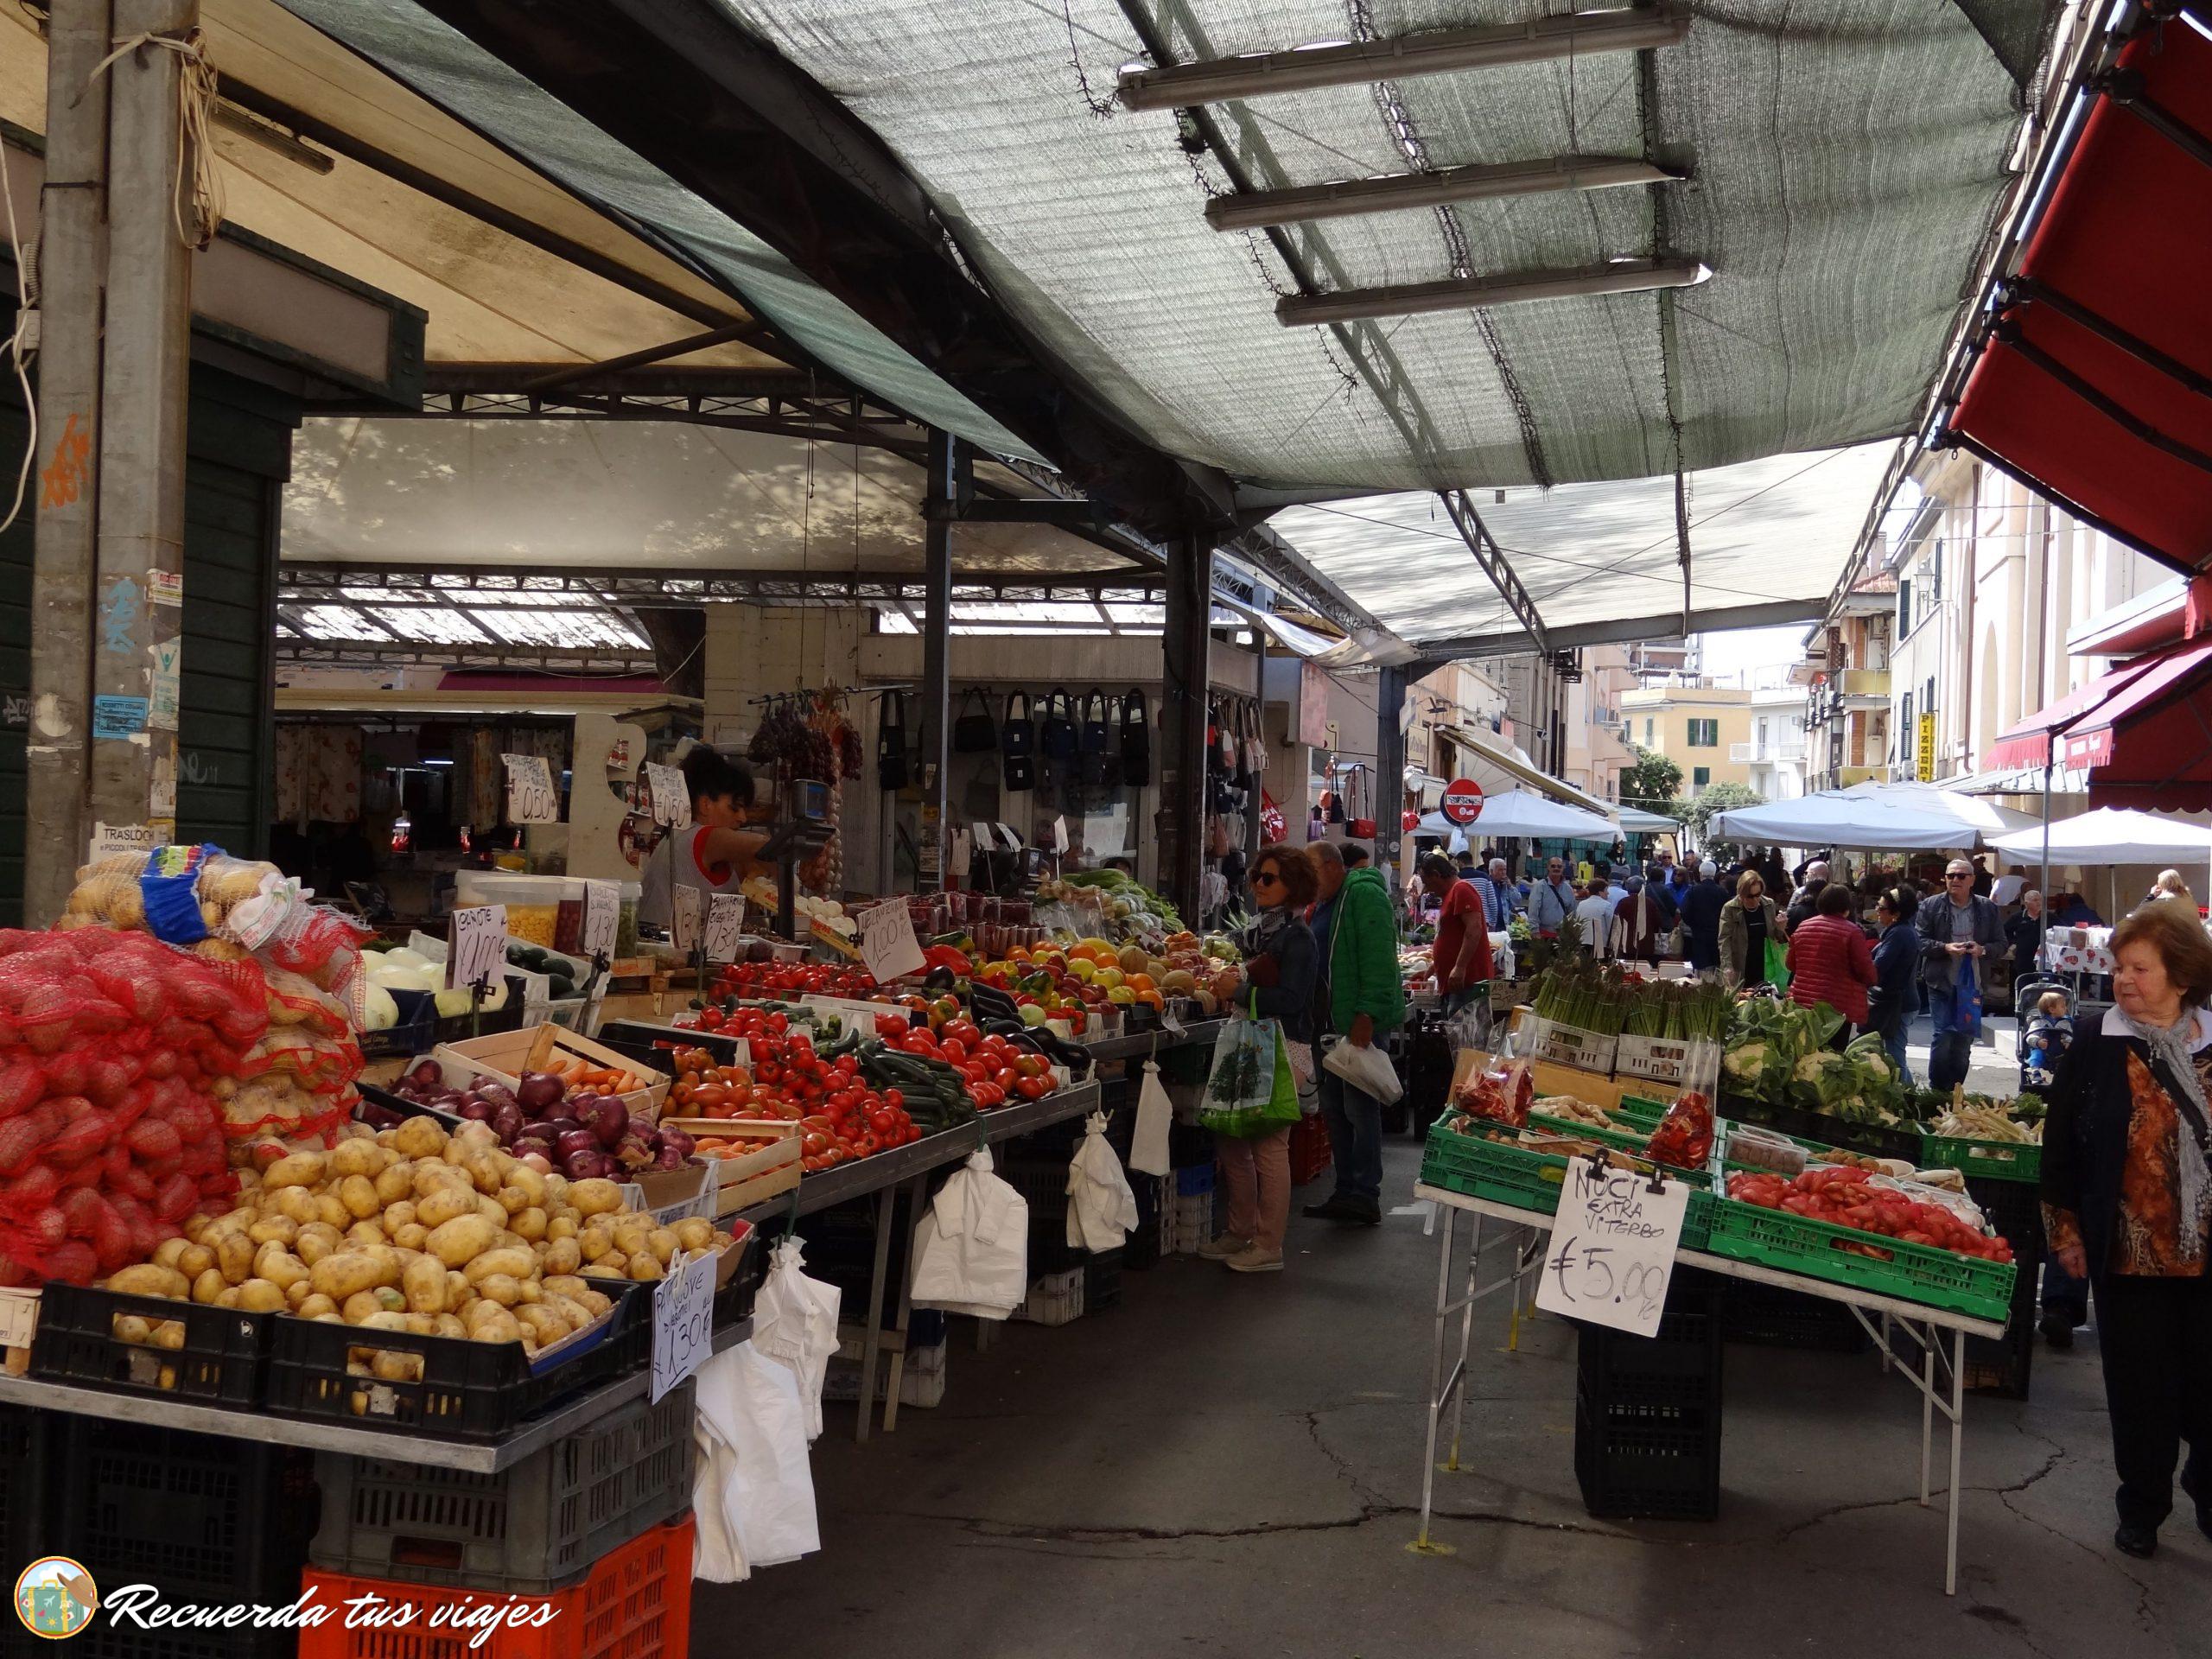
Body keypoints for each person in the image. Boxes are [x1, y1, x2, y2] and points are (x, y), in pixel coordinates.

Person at [2041, 900, 2212, 1558]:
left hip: (2206, 1257)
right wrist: (2065, 1231)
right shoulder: (2096, 1041)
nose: (2124, 980)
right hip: (2130, 1256)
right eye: (2119, 968)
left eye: (2140, 968)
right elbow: (2060, 1147)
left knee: (2207, 1388)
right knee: (2141, 1394)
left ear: (2183, 974)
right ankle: (2142, 1505)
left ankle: (2206, 1481)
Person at [1204, 846, 1319, 1274]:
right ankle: (1239, 1230)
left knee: (1270, 1147)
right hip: (1249, 1042)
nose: (1257, 885)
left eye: (1268, 878)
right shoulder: (1262, 932)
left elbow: (1292, 999)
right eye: (1256, 876)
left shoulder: (1299, 937)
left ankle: (1269, 1243)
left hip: (1282, 1046)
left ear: (1293, 885)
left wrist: (1239, 992)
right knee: (1232, 1139)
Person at [1304, 841, 1403, 1228]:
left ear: (1332, 866)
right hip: (1329, 1025)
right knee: (1334, 1109)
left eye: (1312, 871)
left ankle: (1365, 1193)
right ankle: (1345, 1189)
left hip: (1356, 1023)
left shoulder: (1363, 895)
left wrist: (1368, 1014)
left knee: (1359, 1109)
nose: (1308, 880)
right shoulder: (1324, 903)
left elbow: (1379, 959)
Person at [638, 747, 766, 933]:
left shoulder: (679, 836)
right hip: (668, 952)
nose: (743, 818)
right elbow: (761, 846)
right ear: (706, 804)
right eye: (735, 808)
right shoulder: (702, 835)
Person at [1916, 859, 2009, 1094]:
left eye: (1961, 876)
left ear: (1972, 880)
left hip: (1973, 984)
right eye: (1950, 876)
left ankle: (1955, 1091)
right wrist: (1945, 947)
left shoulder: (1986, 908)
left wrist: (1983, 950)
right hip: (1941, 981)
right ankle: (1937, 1092)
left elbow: (2001, 943)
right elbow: (1920, 941)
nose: (1955, 880)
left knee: (1963, 1040)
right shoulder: (1931, 906)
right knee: (1943, 1035)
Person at [1787, 883, 1878, 1035]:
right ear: (1846, 907)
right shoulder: (1852, 932)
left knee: (1808, 1052)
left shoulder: (1803, 927)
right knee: (1834, 1054)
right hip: (1838, 1005)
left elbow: (1790, 964)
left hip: (1804, 1001)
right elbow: (1865, 970)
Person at [1419, 852, 1491, 1012]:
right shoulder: (1451, 893)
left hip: (1467, 982)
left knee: (1463, 1031)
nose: (1425, 890)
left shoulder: (1461, 889)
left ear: (1437, 875)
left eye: (1427, 883)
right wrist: (1434, 966)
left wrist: (1460, 967)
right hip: (1456, 983)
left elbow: (1474, 929)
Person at [1864, 887, 1921, 1084]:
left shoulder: (1899, 934)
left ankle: (1908, 1099)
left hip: (1898, 1004)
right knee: (1893, 1053)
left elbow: (1878, 967)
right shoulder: (1900, 930)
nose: (1877, 911)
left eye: (1881, 907)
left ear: (1896, 913)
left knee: (1895, 1058)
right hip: (1899, 1001)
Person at [1719, 869, 1786, 989]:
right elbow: (1724, 939)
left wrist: (1780, 928)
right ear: (1741, 893)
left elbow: (1775, 938)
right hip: (1741, 965)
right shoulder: (1730, 908)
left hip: (1765, 966)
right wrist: (1727, 966)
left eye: (1758, 894)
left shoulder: (1768, 904)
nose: (1755, 900)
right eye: (1750, 896)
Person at [1680, 860, 1727, 976]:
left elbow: (1684, 911)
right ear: (1715, 874)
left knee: (1701, 971)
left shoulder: (1692, 891)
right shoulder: (1722, 892)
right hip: (1717, 935)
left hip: (1699, 936)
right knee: (1717, 970)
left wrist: (1694, 924)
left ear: (1700, 874)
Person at [1611, 874, 1667, 968]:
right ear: (1642, 887)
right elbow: (1658, 922)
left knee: (1627, 970)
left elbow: (1616, 923)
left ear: (1628, 888)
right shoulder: (1649, 902)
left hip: (1627, 945)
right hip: (1646, 945)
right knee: (1645, 970)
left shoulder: (1623, 902)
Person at [2007, 889, 2048, 1001]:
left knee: (2042, 986)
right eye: (2035, 900)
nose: (2039, 903)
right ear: (2027, 903)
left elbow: (2060, 929)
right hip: (2023, 958)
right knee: (2023, 985)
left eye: (2040, 900)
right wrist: (2013, 943)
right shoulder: (2018, 917)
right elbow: (2004, 931)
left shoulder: (2048, 917)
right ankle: (2020, 1007)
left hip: (2043, 958)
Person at [1526, 855, 1580, 938]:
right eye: (1553, 866)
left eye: (1559, 866)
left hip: (1563, 936)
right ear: (1548, 867)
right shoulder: (1539, 886)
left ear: (1563, 868)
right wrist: (1535, 931)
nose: (1556, 868)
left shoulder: (1568, 888)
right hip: (1543, 935)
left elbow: (1572, 912)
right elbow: (1533, 911)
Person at [1476, 856, 1524, 930]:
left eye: (1505, 870)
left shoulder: (1507, 886)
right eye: (1500, 870)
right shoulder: (1486, 884)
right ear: (1491, 871)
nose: (1503, 872)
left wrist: (1510, 886)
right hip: (1490, 926)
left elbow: (1518, 902)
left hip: (1504, 925)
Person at [1786, 860, 1832, 934]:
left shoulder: (1800, 892)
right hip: (1826, 933)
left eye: (1807, 873)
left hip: (1800, 932)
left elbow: (1789, 914)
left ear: (1813, 874)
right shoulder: (1833, 892)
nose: (1806, 876)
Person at [1574, 879, 1617, 958]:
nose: (1608, 893)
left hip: (1583, 941)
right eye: (1606, 890)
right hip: (1600, 944)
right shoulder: (1607, 905)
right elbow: (1611, 927)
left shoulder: (1581, 904)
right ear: (1600, 892)